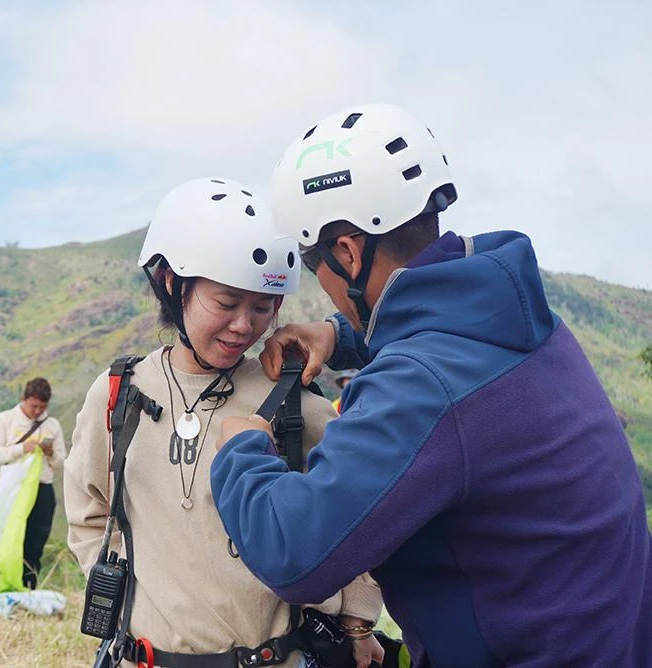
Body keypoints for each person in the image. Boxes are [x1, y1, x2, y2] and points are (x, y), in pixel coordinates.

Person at [210, 103, 652, 667]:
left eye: (316, 265)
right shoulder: (517, 316)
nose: (323, 286)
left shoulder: (422, 387)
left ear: (347, 253)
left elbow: (293, 552)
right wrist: (339, 333)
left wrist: (242, 449)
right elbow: (439, 340)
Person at [64, 178, 386, 668]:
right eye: (226, 303)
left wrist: (358, 618)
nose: (243, 326)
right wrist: (129, 590)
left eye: (262, 307)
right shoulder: (120, 393)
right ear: (172, 284)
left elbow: (363, 506)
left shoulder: (291, 400)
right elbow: (90, 510)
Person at [0, 377, 66, 589]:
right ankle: (3, 583)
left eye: (42, 407)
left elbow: (61, 461)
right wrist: (22, 448)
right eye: (33, 406)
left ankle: (29, 587)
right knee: (10, 538)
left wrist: (49, 453)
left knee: (36, 542)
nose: (37, 411)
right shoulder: (5, 419)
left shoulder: (53, 425)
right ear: (23, 399)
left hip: (42, 488)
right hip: (13, 488)